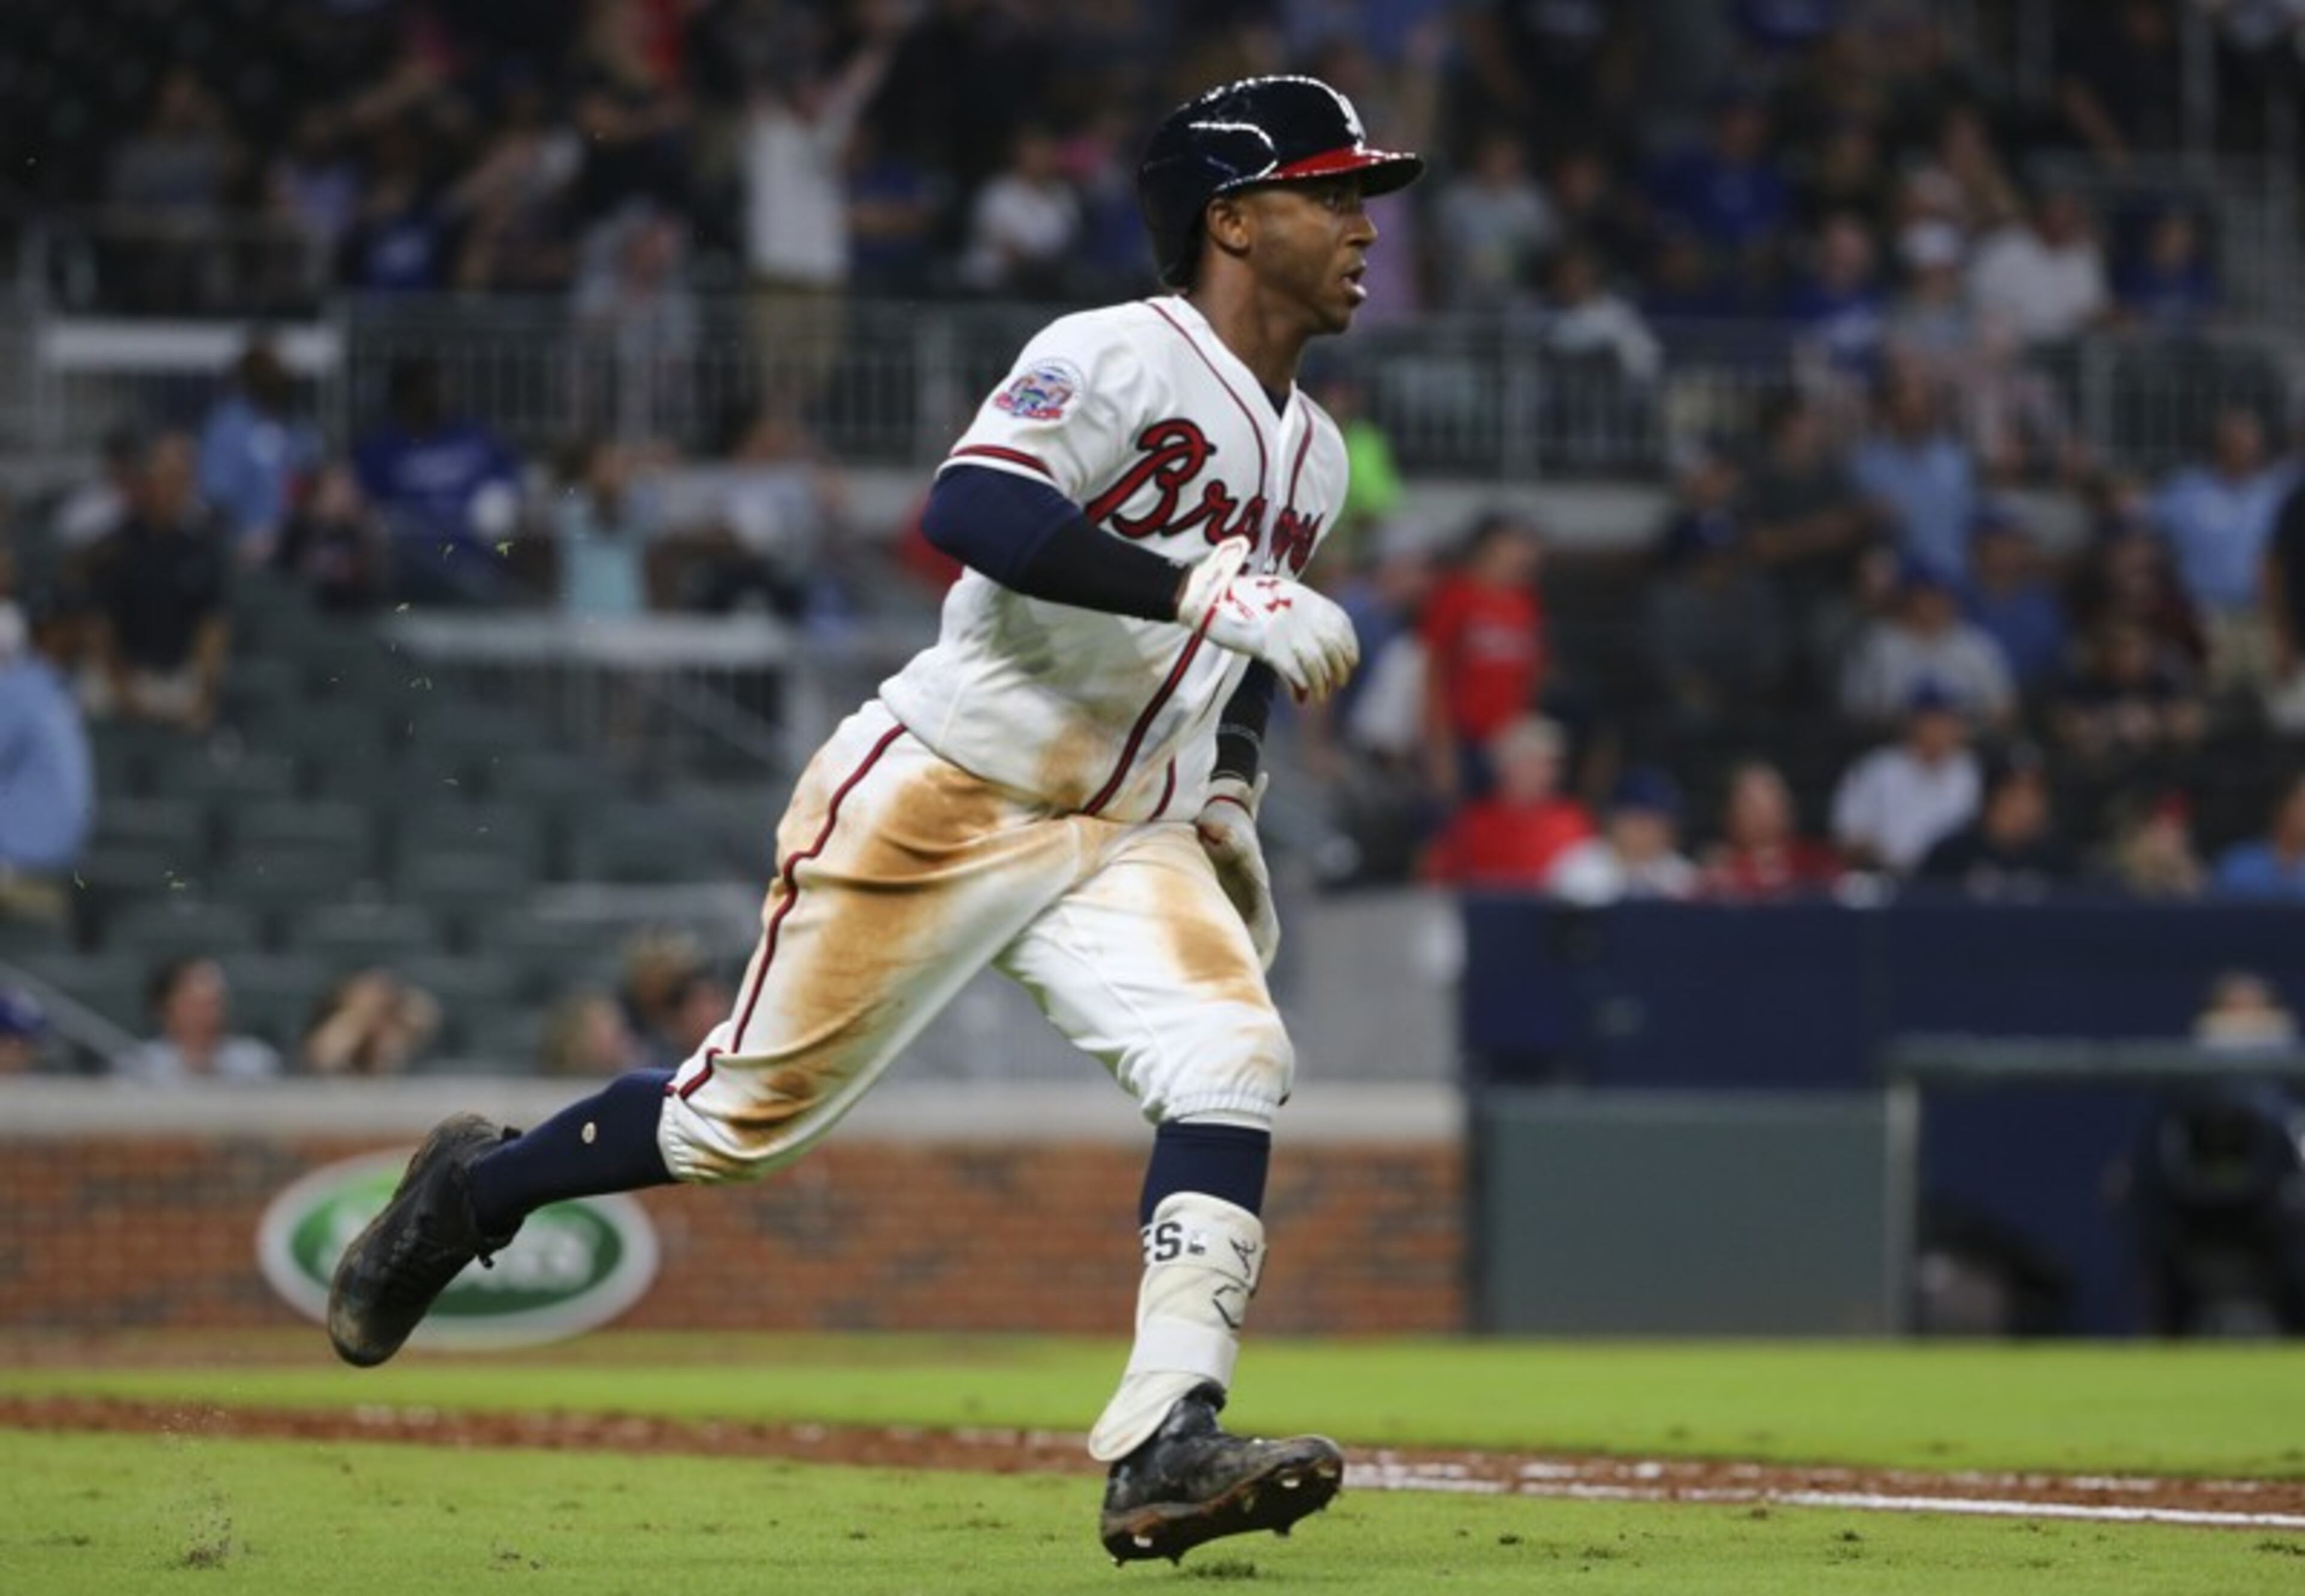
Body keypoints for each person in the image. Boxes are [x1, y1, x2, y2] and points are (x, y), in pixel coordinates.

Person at [327, 75, 1418, 1565]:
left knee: (1234, 1058)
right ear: (1232, 219)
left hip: (1128, 827)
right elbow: (968, 508)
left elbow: (1242, 650)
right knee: (729, 1127)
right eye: (1331, 192)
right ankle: (474, 1189)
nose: (1364, 226)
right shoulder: (1111, 349)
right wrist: (1194, 588)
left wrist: (1229, 782)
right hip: (948, 790)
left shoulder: (1315, 453)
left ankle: (1166, 1441)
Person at [1829, 683, 1982, 874]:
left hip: (1952, 879)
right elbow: (1848, 836)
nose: (1941, 728)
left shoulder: (1970, 771)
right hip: (1887, 876)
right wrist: (1877, 856)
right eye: (1932, 720)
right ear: (1912, 723)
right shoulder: (1876, 768)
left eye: (1947, 720)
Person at [112, 957, 282, 1083]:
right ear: (164, 1008)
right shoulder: (139, 1067)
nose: (210, 1014)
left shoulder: (256, 1062)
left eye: (216, 1003)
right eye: (195, 1004)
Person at [1698, 757, 1843, 900]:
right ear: (1728, 813)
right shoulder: (1721, 874)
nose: (1765, 809)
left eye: (1773, 796)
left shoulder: (1817, 862)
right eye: (1752, 802)